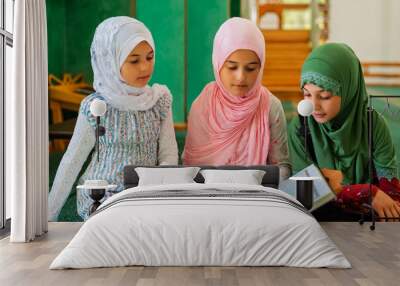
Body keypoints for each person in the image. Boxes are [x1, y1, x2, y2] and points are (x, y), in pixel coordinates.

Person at [48, 16, 178, 220]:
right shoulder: (95, 107)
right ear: (110, 60)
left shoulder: (159, 101)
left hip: (145, 191)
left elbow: (168, 156)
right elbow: (72, 161)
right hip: (102, 192)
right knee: (118, 224)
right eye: (134, 60)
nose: (145, 67)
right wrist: (49, 216)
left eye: (149, 57)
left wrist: (158, 190)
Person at [288, 43, 400, 220]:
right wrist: (364, 192)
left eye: (324, 96)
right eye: (307, 94)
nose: (314, 106)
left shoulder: (374, 124)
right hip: (319, 221)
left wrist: (332, 186)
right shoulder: (301, 127)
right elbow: (302, 195)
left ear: (348, 90)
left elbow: (391, 194)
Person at [183, 17, 291, 180]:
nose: (241, 77)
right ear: (218, 63)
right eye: (232, 67)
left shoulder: (270, 106)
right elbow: (190, 170)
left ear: (261, 67)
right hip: (206, 198)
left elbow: (282, 168)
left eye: (251, 68)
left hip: (256, 198)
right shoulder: (203, 106)